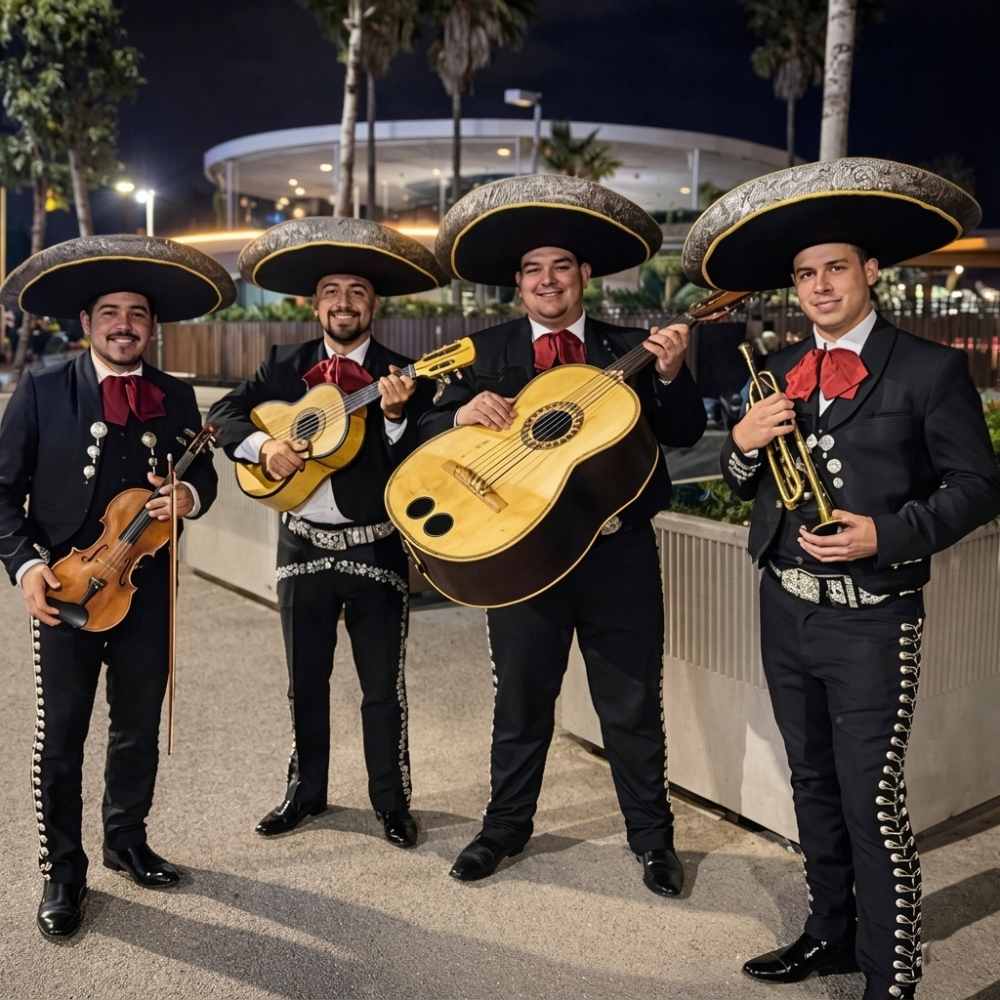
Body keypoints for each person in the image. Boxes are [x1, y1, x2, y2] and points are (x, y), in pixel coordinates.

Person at [682, 158, 1000, 999]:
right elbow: (744, 487)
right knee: (811, 781)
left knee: (872, 800)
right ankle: (828, 933)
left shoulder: (928, 371)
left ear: (870, 273)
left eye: (835, 268)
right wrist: (742, 445)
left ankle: (889, 972)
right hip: (784, 609)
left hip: (874, 617)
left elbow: (979, 487)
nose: (819, 285)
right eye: (805, 273)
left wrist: (884, 533)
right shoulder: (780, 367)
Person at [421, 175, 707, 895]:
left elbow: (682, 432)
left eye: (560, 266)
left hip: (618, 554)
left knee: (634, 702)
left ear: (584, 276)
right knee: (520, 700)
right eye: (532, 270)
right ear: (517, 285)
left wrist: (671, 375)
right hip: (523, 560)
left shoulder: (633, 347)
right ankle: (504, 829)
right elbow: (421, 433)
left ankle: (652, 841)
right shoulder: (479, 352)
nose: (547, 281)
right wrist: (456, 416)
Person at [0, 234, 234, 939]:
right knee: (62, 737)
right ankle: (63, 872)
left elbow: (203, 479)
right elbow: (2, 494)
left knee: (136, 729)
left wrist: (188, 501)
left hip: (147, 592)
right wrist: (26, 566)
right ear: (87, 325)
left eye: (136, 312)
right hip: (67, 588)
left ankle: (125, 841)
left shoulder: (176, 395)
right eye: (109, 312)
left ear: (151, 326)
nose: (124, 324)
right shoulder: (41, 390)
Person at [208, 218, 446, 849]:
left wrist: (395, 419)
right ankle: (305, 792)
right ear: (315, 305)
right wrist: (263, 448)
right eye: (332, 291)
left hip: (374, 544)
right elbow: (223, 414)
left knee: (380, 686)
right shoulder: (285, 365)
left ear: (375, 304)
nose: (344, 302)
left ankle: (390, 801)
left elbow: (423, 464)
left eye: (358, 291)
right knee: (304, 680)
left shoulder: (405, 373)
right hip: (301, 542)